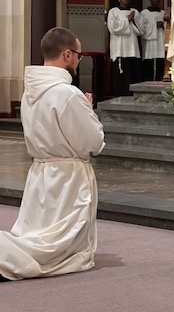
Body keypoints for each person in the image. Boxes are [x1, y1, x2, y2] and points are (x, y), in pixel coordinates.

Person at [0, 27, 105, 281]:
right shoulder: (67, 94)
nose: (80, 61)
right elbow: (93, 141)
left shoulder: (29, 93)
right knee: (53, 247)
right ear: (67, 55)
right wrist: (87, 110)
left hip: (40, 174)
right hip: (68, 180)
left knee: (38, 231)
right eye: (79, 55)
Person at [107, 0, 143, 96]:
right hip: (119, 48)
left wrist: (133, 20)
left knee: (132, 74)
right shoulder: (113, 11)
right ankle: (119, 94)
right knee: (120, 75)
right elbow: (113, 28)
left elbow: (142, 30)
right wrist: (127, 20)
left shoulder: (135, 12)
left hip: (132, 47)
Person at [140, 0, 166, 81]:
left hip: (160, 42)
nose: (156, 0)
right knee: (149, 66)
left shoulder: (163, 13)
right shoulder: (144, 13)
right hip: (150, 44)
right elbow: (141, 29)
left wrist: (163, 26)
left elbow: (169, 28)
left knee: (160, 64)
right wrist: (154, 26)